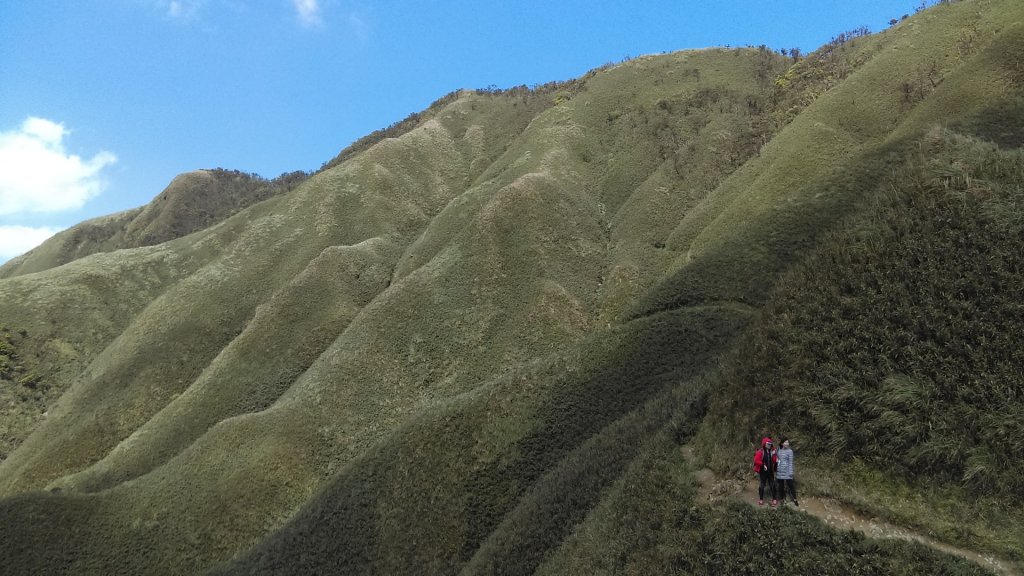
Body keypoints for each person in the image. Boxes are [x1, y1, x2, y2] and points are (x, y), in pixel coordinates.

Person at [752, 436, 778, 507]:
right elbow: (756, 460)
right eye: (768, 444)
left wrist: (776, 459)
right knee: (762, 485)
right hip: (763, 472)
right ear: (764, 444)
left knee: (772, 484)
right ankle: (761, 499)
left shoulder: (772, 451)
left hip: (770, 471)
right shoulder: (760, 452)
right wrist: (763, 464)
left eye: (770, 444)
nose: (769, 445)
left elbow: (774, 459)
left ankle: (774, 499)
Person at [776, 439, 798, 506]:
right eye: (785, 442)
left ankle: (795, 499)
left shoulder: (790, 451)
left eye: (788, 442)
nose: (787, 443)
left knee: (791, 485)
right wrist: (776, 460)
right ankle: (782, 499)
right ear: (782, 443)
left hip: (787, 471)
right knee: (781, 486)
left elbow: (790, 462)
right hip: (780, 470)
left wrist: (791, 472)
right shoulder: (778, 450)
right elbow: (776, 458)